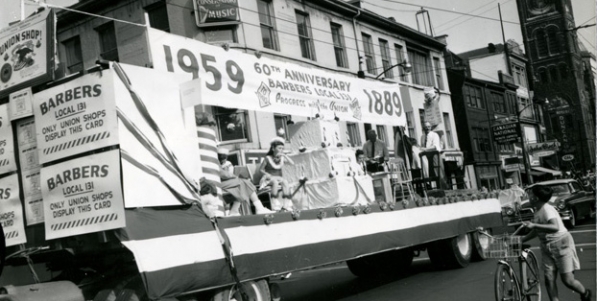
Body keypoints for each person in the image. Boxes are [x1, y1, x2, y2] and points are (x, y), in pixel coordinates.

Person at [521, 184, 591, 301]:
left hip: (561, 244)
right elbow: (537, 231)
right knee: (549, 279)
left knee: (568, 280)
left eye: (531, 194)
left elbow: (555, 227)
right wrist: (522, 239)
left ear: (536, 198)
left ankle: (585, 293)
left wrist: (534, 225)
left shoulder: (547, 209)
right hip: (546, 246)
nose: (529, 196)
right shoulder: (538, 210)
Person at [217, 148, 273, 216]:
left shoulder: (220, 162)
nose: (224, 159)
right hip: (219, 184)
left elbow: (225, 174)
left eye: (225, 157)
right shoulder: (215, 162)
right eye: (222, 157)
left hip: (221, 184)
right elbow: (224, 174)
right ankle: (259, 208)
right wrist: (235, 176)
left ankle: (234, 210)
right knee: (244, 183)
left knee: (242, 186)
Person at [259, 137, 295, 211]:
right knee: (275, 182)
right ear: (273, 148)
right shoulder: (267, 158)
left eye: (282, 148)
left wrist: (285, 155)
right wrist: (267, 174)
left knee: (285, 182)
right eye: (279, 148)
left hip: (279, 178)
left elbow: (292, 163)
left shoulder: (281, 158)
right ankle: (274, 202)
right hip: (269, 178)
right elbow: (261, 169)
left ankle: (286, 204)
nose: (281, 150)